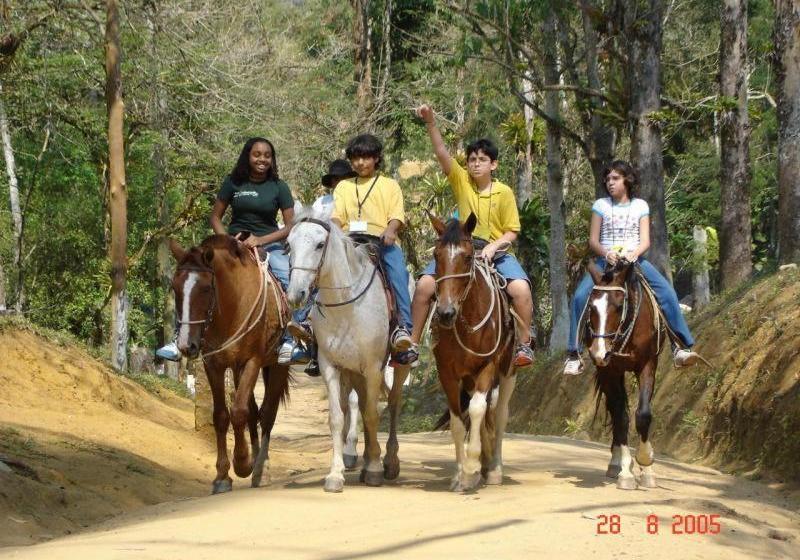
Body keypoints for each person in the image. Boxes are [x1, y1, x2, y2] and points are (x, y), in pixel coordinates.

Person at [408, 104, 535, 368]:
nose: (476, 164)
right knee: (423, 287)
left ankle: (524, 345)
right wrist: (431, 122)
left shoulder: (504, 192)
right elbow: (442, 153)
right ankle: (412, 343)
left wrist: (493, 248)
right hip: (459, 251)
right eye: (472, 160)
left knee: (521, 288)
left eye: (482, 160)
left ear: (494, 164)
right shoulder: (460, 180)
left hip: (495, 252)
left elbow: (512, 231)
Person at [156, 137, 301, 363]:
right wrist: (227, 239)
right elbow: (215, 216)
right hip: (231, 243)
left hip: (269, 244)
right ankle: (179, 337)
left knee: (288, 277)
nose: (262, 159)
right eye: (257, 154)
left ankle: (289, 339)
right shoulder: (233, 182)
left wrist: (260, 240)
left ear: (272, 159)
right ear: (247, 156)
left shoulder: (279, 187)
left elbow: (291, 225)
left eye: (267, 155)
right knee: (192, 278)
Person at [563, 160, 701, 375]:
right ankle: (574, 353)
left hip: (634, 261)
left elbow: (645, 240)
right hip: (605, 262)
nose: (610, 182)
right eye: (608, 179)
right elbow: (593, 241)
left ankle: (681, 347)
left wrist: (634, 253)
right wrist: (607, 253)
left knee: (667, 293)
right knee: (580, 296)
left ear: (627, 180)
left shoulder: (640, 206)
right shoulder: (600, 205)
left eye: (615, 178)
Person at [330, 133, 416, 365]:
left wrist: (391, 230)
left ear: (377, 158)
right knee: (321, 269)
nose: (360, 163)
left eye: (366, 157)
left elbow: (397, 215)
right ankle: (307, 323)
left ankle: (403, 329)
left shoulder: (390, 185)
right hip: (349, 241)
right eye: (356, 158)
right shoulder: (344, 187)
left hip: (381, 241)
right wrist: (336, 233)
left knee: (398, 273)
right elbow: (337, 216)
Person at [283, 159, 358, 374]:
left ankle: (395, 328)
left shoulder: (357, 198)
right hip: (324, 254)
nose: (339, 182)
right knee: (310, 283)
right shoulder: (321, 202)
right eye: (336, 179)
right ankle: (304, 333)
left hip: (351, 249)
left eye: (343, 178)